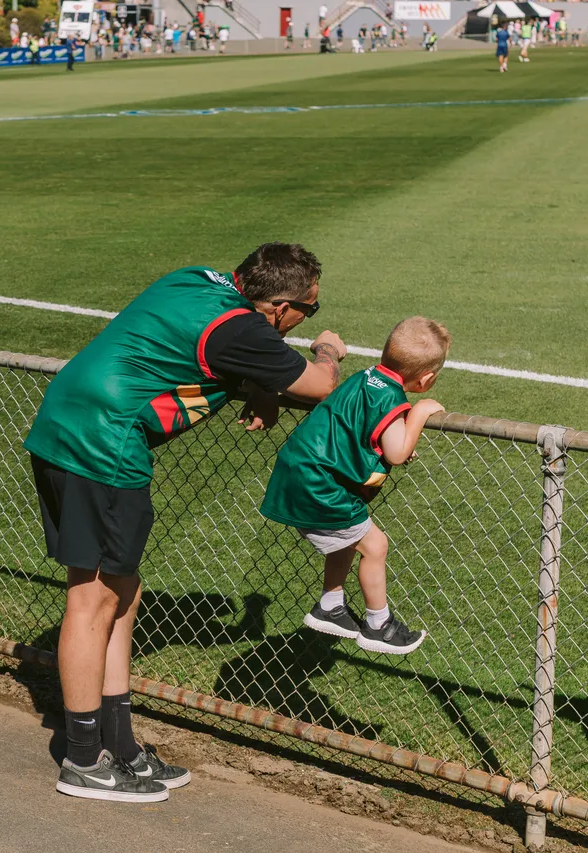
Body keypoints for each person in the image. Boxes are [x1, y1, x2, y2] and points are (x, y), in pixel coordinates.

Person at [24, 243, 347, 803]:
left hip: (73, 424)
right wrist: (326, 349)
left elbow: (186, 353)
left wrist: (257, 386)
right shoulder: (243, 329)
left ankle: (118, 746)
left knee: (123, 591)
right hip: (102, 443)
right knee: (92, 598)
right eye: (306, 311)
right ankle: (81, 760)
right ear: (278, 307)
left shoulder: (193, 279)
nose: (305, 322)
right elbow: (318, 386)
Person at [260, 317, 450, 656]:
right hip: (321, 483)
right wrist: (418, 415)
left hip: (301, 470)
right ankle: (379, 626)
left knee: (347, 539)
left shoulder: (366, 377)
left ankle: (331, 605)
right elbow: (396, 452)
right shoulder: (392, 398)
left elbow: (365, 430)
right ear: (426, 380)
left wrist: (399, 434)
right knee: (375, 545)